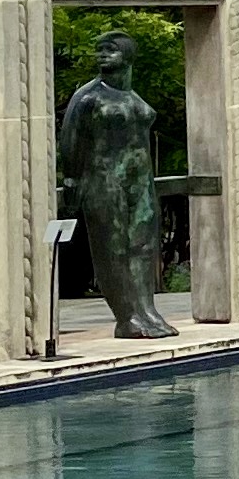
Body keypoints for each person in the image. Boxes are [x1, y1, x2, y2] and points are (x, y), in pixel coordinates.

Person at [57, 30, 172, 338]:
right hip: (103, 179)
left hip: (140, 181)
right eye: (99, 50)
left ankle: (147, 311)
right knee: (113, 249)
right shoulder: (88, 97)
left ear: (128, 55)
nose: (102, 55)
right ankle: (126, 316)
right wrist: (71, 184)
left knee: (144, 246)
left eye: (110, 49)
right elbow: (70, 142)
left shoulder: (134, 97)